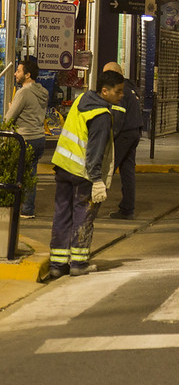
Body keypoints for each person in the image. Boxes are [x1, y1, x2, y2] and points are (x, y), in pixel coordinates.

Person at [49, 70, 124, 278]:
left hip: (63, 166)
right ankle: (79, 263)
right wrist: (97, 180)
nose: (121, 95)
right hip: (82, 173)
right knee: (83, 215)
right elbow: (95, 151)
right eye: (118, 92)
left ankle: (57, 264)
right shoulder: (101, 116)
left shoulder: (81, 99)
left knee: (62, 214)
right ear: (105, 91)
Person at [4, 58, 48, 219]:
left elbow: (9, 118)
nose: (15, 74)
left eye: (18, 71)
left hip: (24, 138)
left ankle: (16, 206)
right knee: (31, 173)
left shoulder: (23, 93)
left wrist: (11, 107)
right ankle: (28, 208)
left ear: (27, 75)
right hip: (39, 138)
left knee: (16, 174)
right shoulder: (43, 92)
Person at [103, 62, 143, 220]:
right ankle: (127, 209)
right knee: (127, 172)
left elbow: (118, 117)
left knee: (107, 168)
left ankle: (90, 204)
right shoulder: (130, 88)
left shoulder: (120, 90)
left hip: (124, 134)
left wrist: (109, 138)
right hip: (134, 132)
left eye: (107, 74)